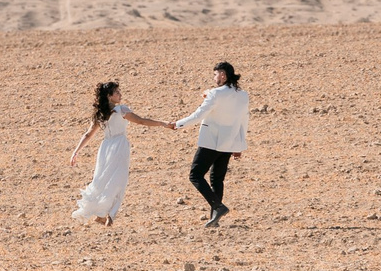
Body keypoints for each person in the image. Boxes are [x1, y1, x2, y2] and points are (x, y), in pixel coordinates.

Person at [69, 80, 175, 226]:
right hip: (119, 146)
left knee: (103, 179)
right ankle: (109, 215)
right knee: (119, 180)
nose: (120, 94)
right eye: (117, 92)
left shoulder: (100, 114)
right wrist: (162, 123)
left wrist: (76, 152)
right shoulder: (121, 110)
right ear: (109, 96)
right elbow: (141, 121)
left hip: (105, 148)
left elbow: (88, 135)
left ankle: (103, 214)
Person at [173, 61, 249, 227]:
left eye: (215, 74)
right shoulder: (243, 95)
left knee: (195, 175)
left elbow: (198, 115)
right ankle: (215, 218)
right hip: (229, 142)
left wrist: (177, 124)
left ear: (222, 75)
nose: (214, 78)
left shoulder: (215, 94)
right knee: (217, 179)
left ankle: (218, 206)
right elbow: (243, 121)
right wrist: (238, 146)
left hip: (211, 141)